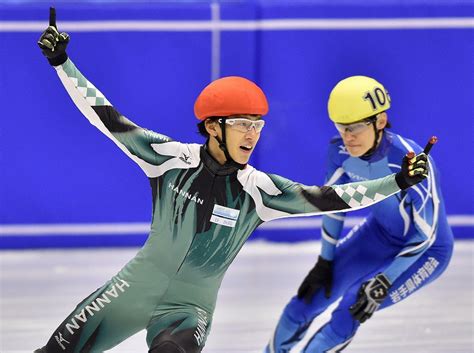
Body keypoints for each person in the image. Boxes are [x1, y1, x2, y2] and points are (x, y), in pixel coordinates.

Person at [36, 8, 430, 353]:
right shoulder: (169, 160)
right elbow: (105, 116)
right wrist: (61, 62)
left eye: (257, 125)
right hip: (130, 292)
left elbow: (334, 198)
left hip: (188, 312)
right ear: (212, 127)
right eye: (242, 124)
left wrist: (398, 182)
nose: (252, 135)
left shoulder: (258, 192)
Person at [263, 76, 453, 353]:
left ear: (380, 121)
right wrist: (324, 262)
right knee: (306, 301)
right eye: (341, 127)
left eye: (354, 128)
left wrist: (384, 281)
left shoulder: (411, 160)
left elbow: (426, 233)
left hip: (427, 250)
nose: (347, 137)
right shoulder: (338, 151)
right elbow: (332, 207)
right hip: (380, 235)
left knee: (352, 306)